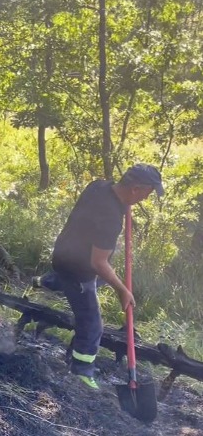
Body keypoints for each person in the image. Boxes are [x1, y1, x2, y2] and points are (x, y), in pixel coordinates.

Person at [35, 164, 164, 389]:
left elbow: (97, 213)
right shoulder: (111, 219)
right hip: (78, 269)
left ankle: (51, 281)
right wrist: (123, 290)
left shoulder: (98, 186)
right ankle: (82, 371)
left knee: (102, 277)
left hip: (63, 254)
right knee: (93, 324)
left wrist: (123, 205)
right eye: (148, 192)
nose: (147, 198)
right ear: (135, 188)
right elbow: (98, 262)